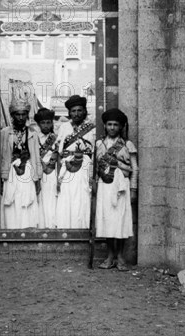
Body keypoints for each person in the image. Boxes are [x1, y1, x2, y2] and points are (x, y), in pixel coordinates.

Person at [94, 108, 138, 271]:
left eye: (116, 125)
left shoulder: (127, 144)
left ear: (121, 127)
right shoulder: (99, 144)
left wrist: (133, 189)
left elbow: (134, 168)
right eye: (109, 124)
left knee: (119, 221)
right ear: (105, 126)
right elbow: (95, 167)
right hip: (105, 186)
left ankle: (120, 257)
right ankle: (110, 256)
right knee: (106, 221)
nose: (112, 127)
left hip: (121, 186)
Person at [0, 98, 42, 229]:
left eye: (23, 114)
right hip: (11, 173)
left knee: (26, 202)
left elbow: (36, 156)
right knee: (11, 202)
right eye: (18, 114)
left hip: (27, 172)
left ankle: (26, 229)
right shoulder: (5, 133)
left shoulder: (33, 133)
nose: (21, 117)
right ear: (12, 115)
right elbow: (1, 156)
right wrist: (1, 177)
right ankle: (11, 229)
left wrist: (38, 178)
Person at [55, 95, 95, 229]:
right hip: (67, 168)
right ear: (69, 113)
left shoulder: (91, 128)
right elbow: (59, 152)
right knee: (66, 197)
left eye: (79, 110)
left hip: (84, 167)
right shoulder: (64, 127)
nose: (76, 114)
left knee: (82, 198)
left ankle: (82, 230)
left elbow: (94, 152)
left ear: (84, 111)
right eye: (73, 111)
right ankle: (65, 229)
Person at [34, 108, 59, 229]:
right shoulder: (34, 138)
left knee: (51, 200)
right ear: (38, 124)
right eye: (43, 123)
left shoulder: (56, 138)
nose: (46, 125)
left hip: (52, 174)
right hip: (38, 173)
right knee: (39, 200)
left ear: (52, 123)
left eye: (48, 122)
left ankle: (51, 226)